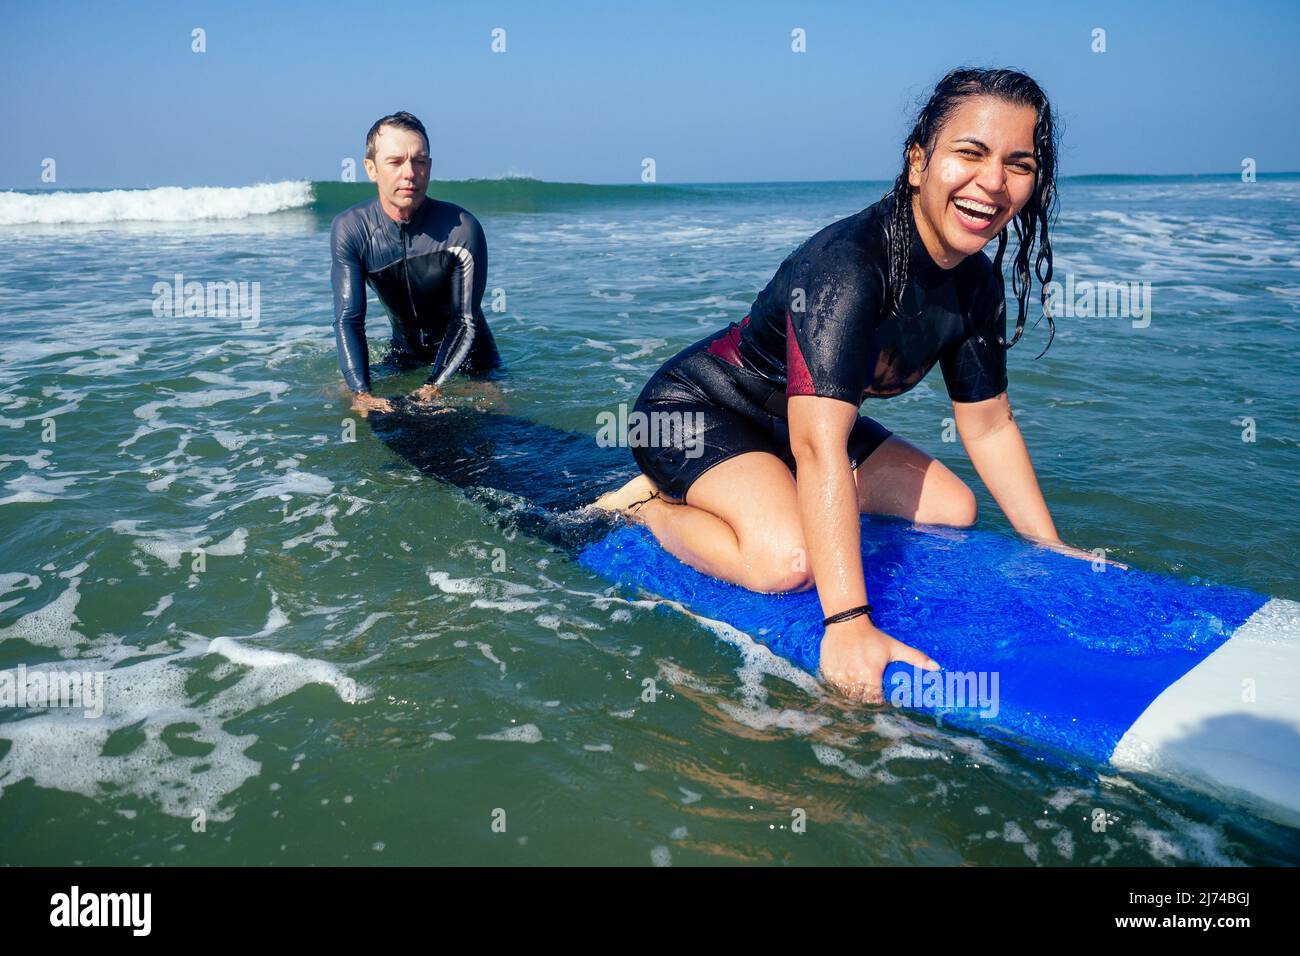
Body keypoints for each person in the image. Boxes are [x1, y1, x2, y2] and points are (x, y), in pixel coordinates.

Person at [594, 68, 1118, 703]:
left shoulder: (976, 283)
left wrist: (1049, 550)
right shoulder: (848, 267)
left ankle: (760, 489)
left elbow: (987, 424)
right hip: (697, 410)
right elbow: (820, 450)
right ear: (919, 161)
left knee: (954, 508)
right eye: (970, 153)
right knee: (786, 564)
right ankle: (649, 507)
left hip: (799, 426)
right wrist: (847, 623)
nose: (993, 183)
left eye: (1019, 163)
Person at [331, 111, 501, 416]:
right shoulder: (352, 229)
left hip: (470, 363)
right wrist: (361, 393)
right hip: (403, 357)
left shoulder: (462, 229)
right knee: (338, 394)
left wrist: (434, 386)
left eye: (419, 161)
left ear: (429, 167)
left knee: (485, 420)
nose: (409, 173)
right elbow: (349, 320)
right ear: (371, 168)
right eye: (395, 162)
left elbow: (465, 321)